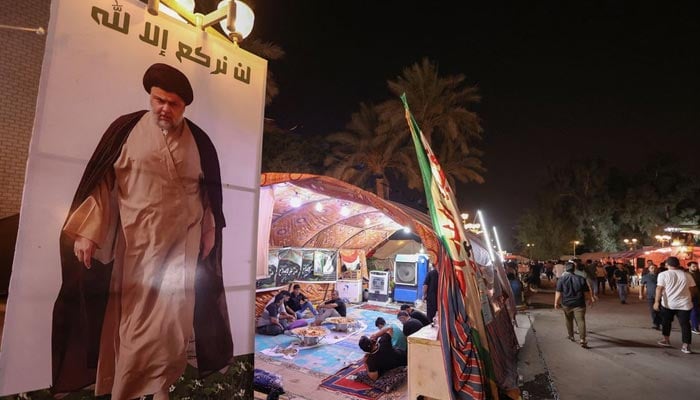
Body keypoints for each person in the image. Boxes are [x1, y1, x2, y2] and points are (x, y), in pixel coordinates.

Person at [51, 63, 232, 399]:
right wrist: (88, 231)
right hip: (138, 244)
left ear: (184, 107)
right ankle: (128, 388)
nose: (164, 108)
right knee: (136, 322)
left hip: (184, 244)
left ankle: (159, 383)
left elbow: (209, 196)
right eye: (159, 100)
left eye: (173, 104)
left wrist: (209, 232)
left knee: (173, 323)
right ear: (151, 97)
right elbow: (102, 184)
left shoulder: (200, 141)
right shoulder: (126, 130)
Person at [654, 257, 697, 354]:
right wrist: (691, 297)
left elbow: (659, 289)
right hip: (685, 304)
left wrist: (656, 302)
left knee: (666, 322)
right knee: (685, 324)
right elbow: (693, 289)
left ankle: (666, 340)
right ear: (678, 264)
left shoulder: (663, 275)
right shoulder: (687, 275)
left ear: (666, 265)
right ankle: (686, 346)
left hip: (668, 304)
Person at [554, 261, 595, 348]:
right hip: (579, 304)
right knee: (581, 321)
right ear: (574, 269)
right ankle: (582, 339)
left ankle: (571, 336)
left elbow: (558, 292)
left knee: (568, 320)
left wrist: (556, 302)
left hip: (566, 304)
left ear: (565, 269)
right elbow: (586, 292)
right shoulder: (581, 278)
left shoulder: (561, 279)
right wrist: (590, 299)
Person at [639, 263, 662, 330]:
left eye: (655, 268)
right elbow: (641, 286)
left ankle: (660, 322)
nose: (653, 269)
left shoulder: (660, 276)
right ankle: (656, 324)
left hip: (660, 296)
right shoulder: (645, 277)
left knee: (660, 310)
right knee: (653, 310)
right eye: (652, 268)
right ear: (648, 269)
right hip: (650, 296)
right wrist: (641, 294)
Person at [688, 261, 700, 334]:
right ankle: (694, 327)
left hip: (698, 295)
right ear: (689, 267)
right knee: (694, 311)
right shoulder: (687, 275)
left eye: (696, 266)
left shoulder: (698, 274)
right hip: (691, 295)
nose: (695, 267)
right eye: (693, 266)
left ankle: (695, 325)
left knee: (697, 311)